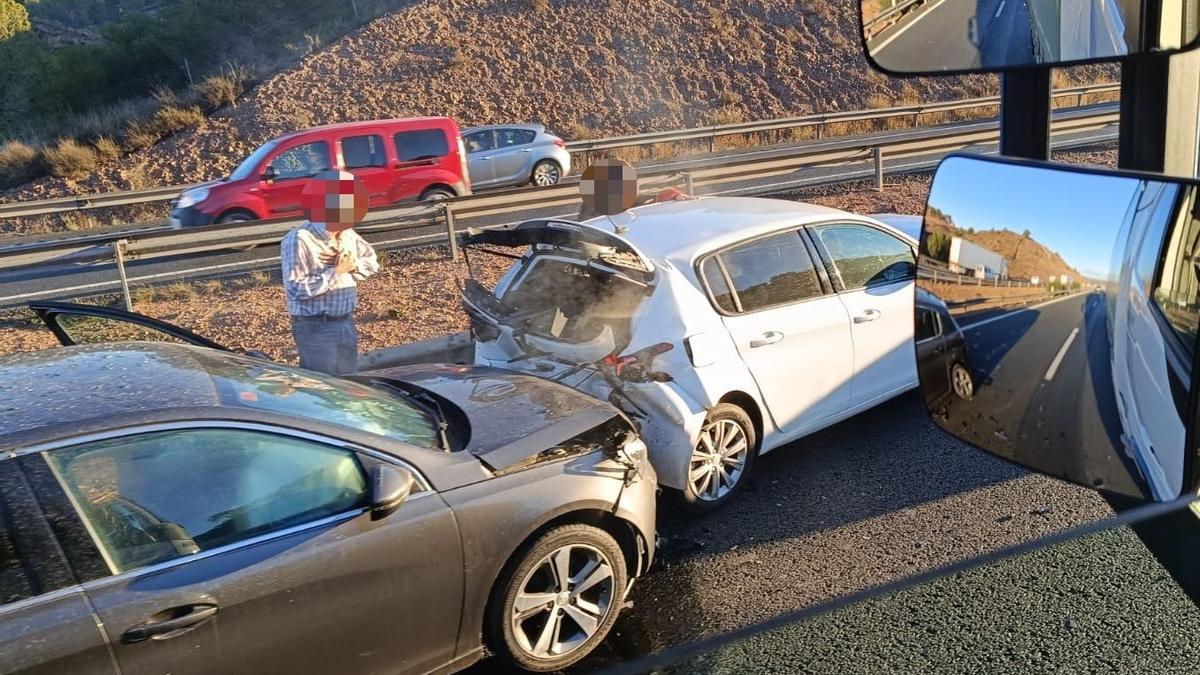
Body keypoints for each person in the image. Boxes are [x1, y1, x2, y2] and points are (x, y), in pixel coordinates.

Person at [281, 170, 379, 375]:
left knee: (349, 384)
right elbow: (296, 290)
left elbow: (372, 262)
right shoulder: (300, 239)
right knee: (324, 390)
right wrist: (336, 272)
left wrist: (353, 266)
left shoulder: (348, 234)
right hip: (316, 328)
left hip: (345, 323)